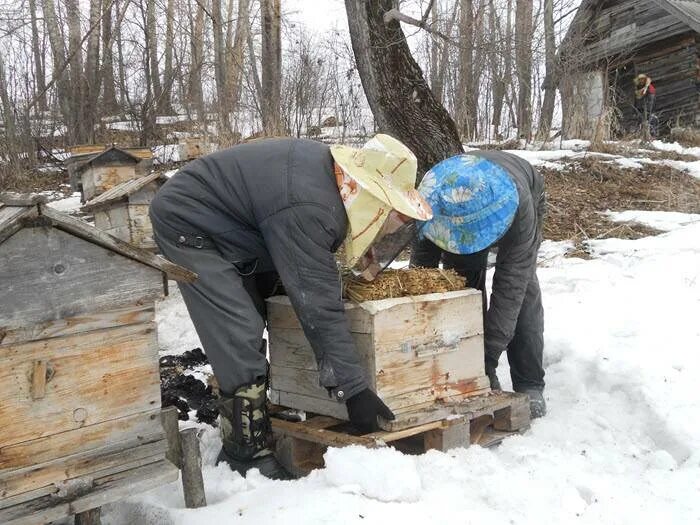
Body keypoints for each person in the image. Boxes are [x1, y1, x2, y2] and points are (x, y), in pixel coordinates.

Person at [149, 135, 432, 478]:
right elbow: (318, 303)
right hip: (189, 222)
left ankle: (275, 400)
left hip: (246, 225)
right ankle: (244, 452)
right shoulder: (311, 207)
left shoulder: (326, 189)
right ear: (368, 193)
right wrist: (354, 390)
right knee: (239, 327)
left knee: (276, 305)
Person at [410, 150, 547, 418]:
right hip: (458, 207)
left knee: (523, 289)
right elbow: (421, 270)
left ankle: (529, 382)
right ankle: (469, 371)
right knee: (462, 284)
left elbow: (510, 287)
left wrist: (488, 355)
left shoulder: (519, 208)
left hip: (524, 191)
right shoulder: (429, 199)